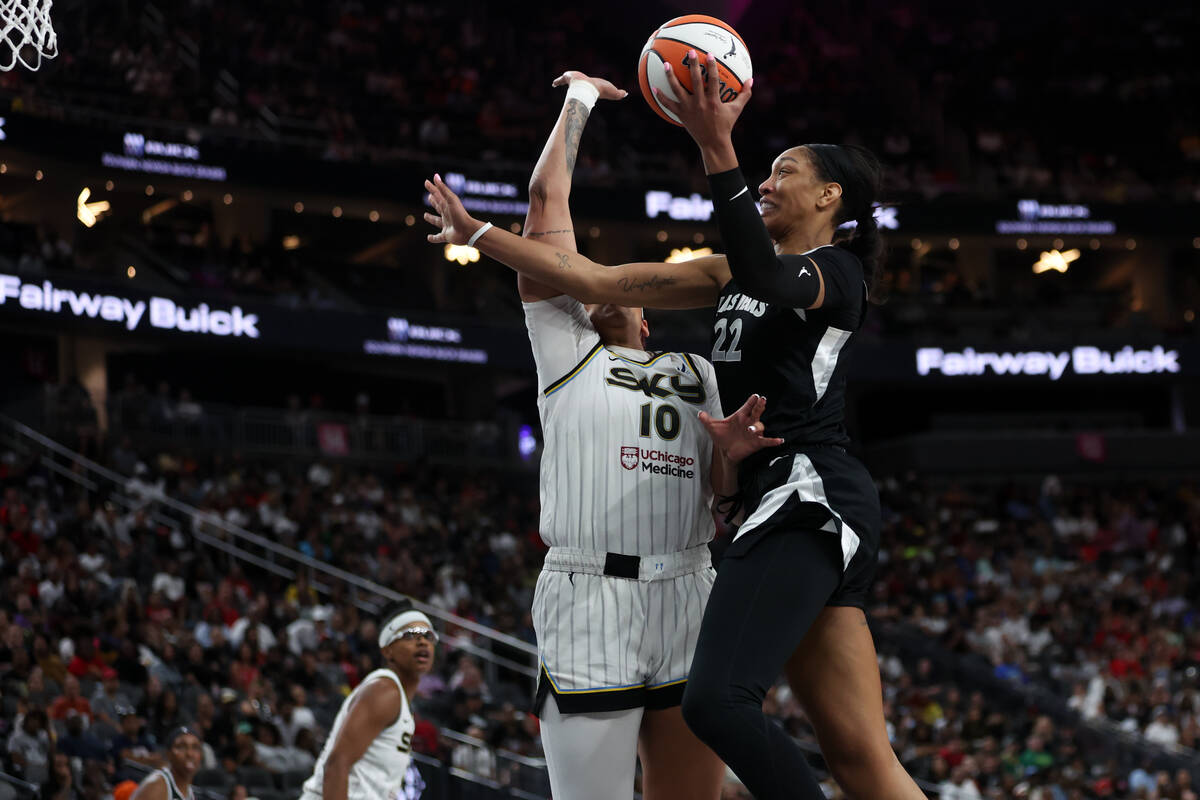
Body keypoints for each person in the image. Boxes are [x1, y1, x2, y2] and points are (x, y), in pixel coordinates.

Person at [423, 51, 923, 800]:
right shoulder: (723, 274)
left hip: (811, 499)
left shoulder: (835, 271)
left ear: (829, 194)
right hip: (766, 506)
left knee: (720, 704)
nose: (766, 182)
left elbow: (767, 275)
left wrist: (716, 143)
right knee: (858, 756)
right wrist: (477, 231)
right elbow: (590, 277)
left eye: (783, 171)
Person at [459, 69, 780, 800]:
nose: (596, 295)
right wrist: (577, 103)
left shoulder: (700, 369)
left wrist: (730, 462)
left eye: (616, 292)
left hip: (691, 586)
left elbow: (722, 499)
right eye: (586, 288)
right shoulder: (568, 355)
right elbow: (546, 209)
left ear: (647, 316)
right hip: (589, 589)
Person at [301, 600, 436, 800]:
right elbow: (337, 764)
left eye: (428, 636)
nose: (422, 642)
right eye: (409, 635)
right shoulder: (384, 691)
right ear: (387, 649)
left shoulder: (397, 699)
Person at [128, 727, 203, 800]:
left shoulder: (188, 791)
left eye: (195, 747)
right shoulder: (157, 786)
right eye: (182, 747)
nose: (190, 754)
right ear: (168, 754)